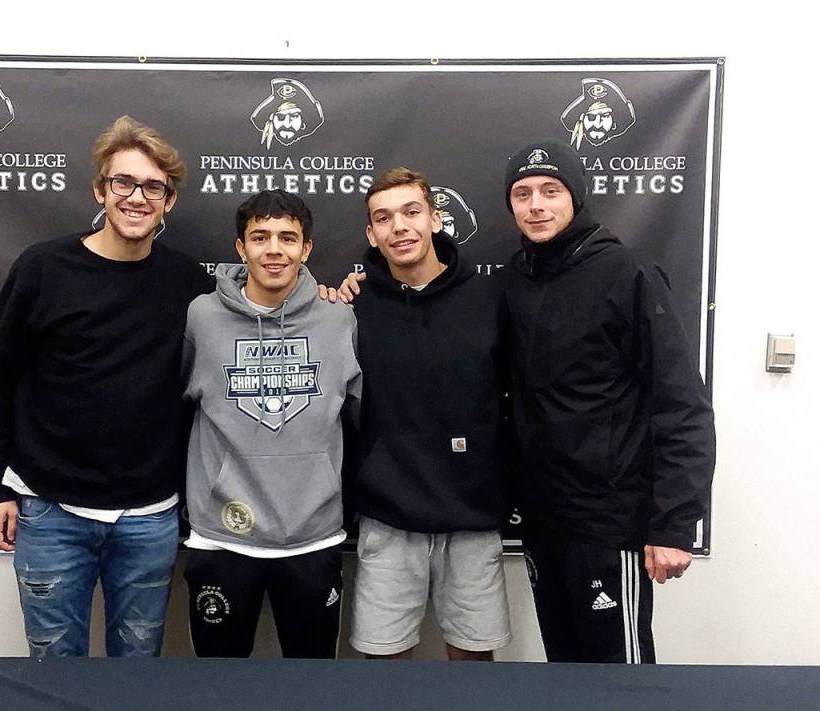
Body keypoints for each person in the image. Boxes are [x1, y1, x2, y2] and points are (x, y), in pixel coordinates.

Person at [0, 116, 213, 658]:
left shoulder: (189, 282)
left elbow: (260, 313)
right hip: (49, 510)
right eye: (123, 183)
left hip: (150, 515)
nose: (136, 197)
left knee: (136, 671)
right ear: (100, 190)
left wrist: (333, 298)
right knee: (55, 671)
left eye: (153, 187)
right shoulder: (42, 269)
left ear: (169, 201)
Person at [502, 138, 715, 663]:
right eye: (523, 193)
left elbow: (683, 405)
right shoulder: (514, 279)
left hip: (610, 521)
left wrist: (673, 525)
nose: (536, 205)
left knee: (620, 678)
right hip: (542, 519)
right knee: (565, 670)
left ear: (576, 195)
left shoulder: (627, 273)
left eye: (551, 191)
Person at [182, 189, 361, 658]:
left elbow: (364, 417)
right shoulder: (201, 317)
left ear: (307, 249)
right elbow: (173, 404)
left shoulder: (340, 319)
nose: (274, 249)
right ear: (240, 248)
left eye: (288, 238)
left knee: (312, 686)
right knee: (220, 687)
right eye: (260, 237)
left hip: (313, 537)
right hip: (221, 536)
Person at [342, 167, 512, 661]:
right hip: (388, 519)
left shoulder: (489, 298)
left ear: (436, 220)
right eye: (384, 218)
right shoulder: (353, 306)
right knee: (385, 668)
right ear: (371, 234)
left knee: (472, 668)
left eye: (411, 212)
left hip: (472, 519)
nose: (399, 227)